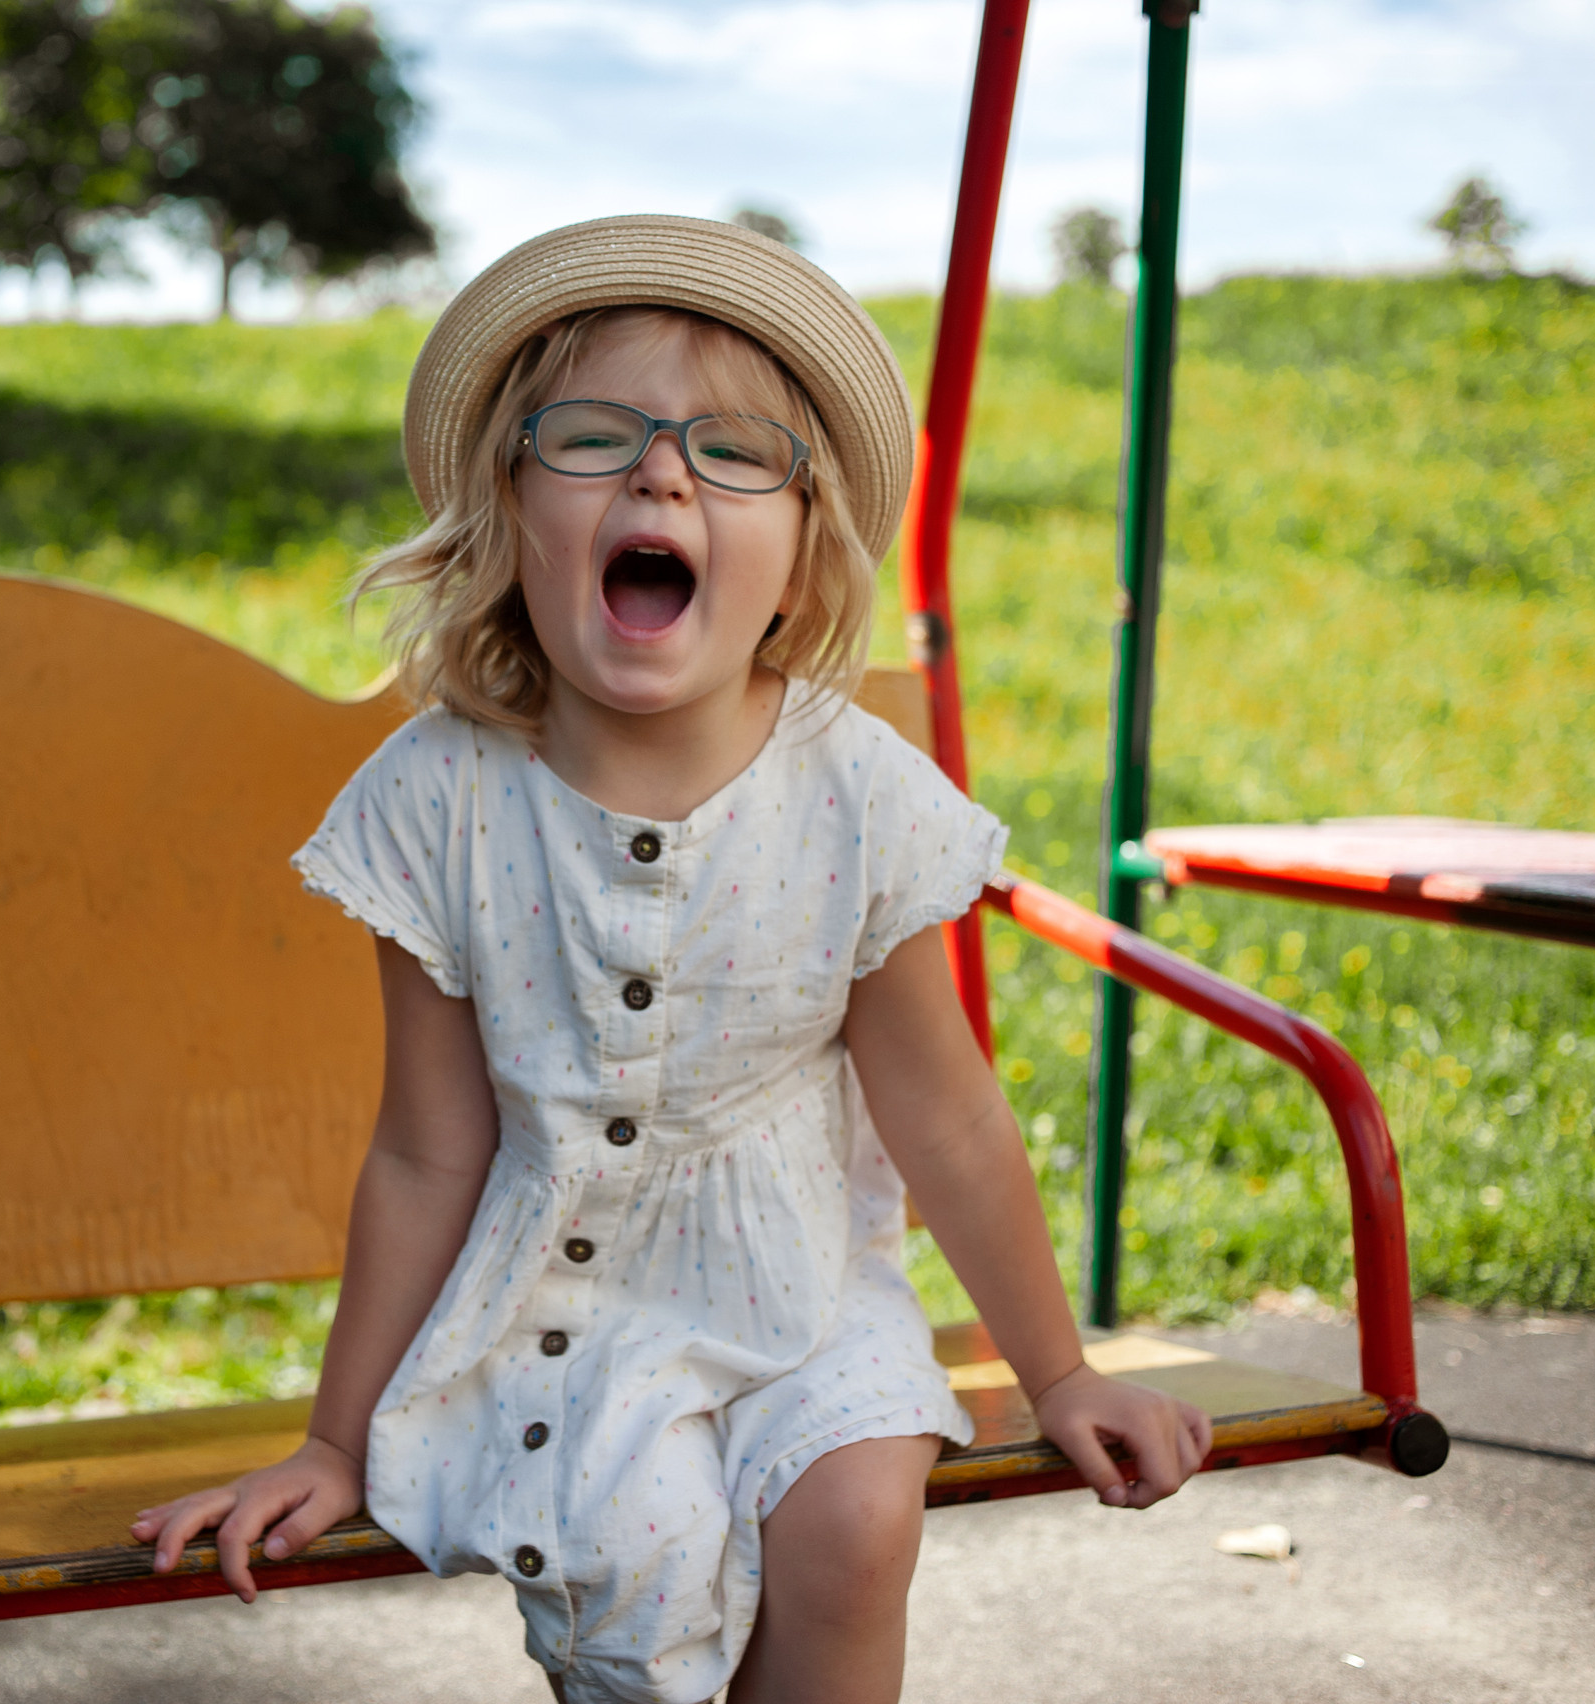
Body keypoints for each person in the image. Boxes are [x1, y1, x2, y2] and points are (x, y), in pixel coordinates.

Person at [131, 215, 1211, 1704]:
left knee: (852, 1513)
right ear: (507, 511)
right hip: (571, 1305)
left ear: (800, 545)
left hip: (803, 1286)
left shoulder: (856, 793)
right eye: (592, 437)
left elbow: (946, 1118)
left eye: (735, 452)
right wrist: (336, 1437)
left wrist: (1061, 1372)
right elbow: (428, 1154)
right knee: (632, 1544)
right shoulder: (439, 799)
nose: (661, 473)